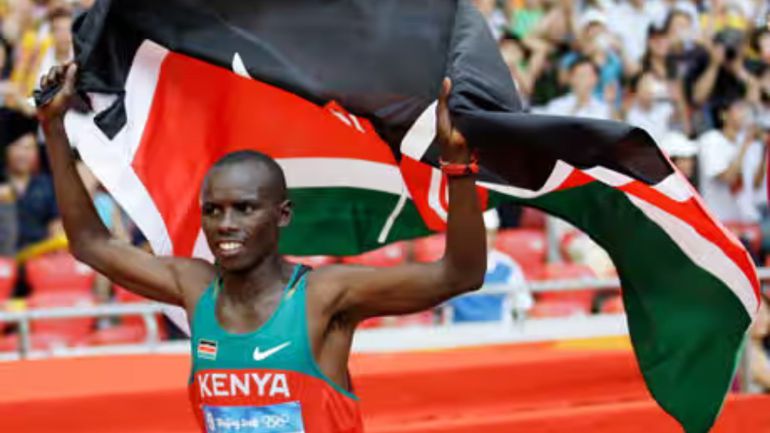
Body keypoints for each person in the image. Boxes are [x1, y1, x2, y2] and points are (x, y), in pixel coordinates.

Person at [38, 63, 487, 432]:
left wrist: (458, 168)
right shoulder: (195, 287)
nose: (225, 225)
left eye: (244, 209)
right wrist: (54, 128)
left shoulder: (324, 295)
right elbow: (90, 243)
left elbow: (460, 275)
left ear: (282, 214)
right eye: (213, 210)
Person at [448, 209, 532, 323]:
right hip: (460, 333)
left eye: (489, 233)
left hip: (499, 332)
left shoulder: (508, 267)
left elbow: (523, 306)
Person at [697, 98, 758, 223]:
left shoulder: (748, 142)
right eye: (739, 109)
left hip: (745, 220)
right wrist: (744, 148)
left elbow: (756, 183)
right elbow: (727, 178)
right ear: (723, 115)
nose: (745, 114)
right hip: (719, 221)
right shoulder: (711, 140)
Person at [535, 56, 615, 120]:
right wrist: (577, 106)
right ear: (571, 78)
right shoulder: (557, 105)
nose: (583, 80)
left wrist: (610, 104)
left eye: (587, 75)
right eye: (580, 75)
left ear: (595, 79)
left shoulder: (603, 108)